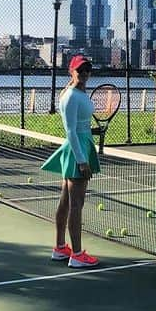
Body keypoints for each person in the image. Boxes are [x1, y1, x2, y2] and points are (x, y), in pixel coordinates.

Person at [50, 55, 101, 267]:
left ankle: (61, 248)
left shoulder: (78, 93)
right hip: (76, 151)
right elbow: (70, 130)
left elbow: (79, 125)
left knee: (66, 201)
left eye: (88, 69)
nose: (85, 73)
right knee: (76, 205)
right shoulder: (70, 96)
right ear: (72, 71)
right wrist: (82, 160)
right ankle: (78, 255)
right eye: (81, 70)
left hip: (81, 144)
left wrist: (93, 131)